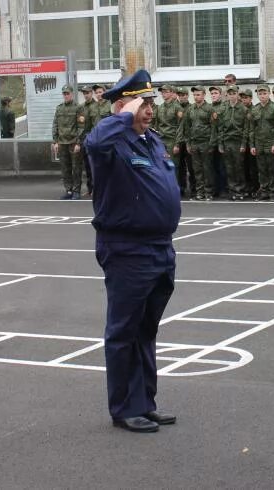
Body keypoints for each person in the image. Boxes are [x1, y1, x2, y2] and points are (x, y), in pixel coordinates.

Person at [83, 69, 180, 434]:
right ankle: (125, 408)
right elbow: (93, 144)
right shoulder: (109, 142)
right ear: (123, 106)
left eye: (152, 103)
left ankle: (145, 402)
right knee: (124, 330)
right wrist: (122, 116)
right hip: (127, 249)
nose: (150, 110)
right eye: (143, 103)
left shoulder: (151, 141)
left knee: (146, 331)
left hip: (159, 247)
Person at [248, 84, 274, 200]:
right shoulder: (255, 109)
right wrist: (252, 145)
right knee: (261, 169)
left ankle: (273, 192)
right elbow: (251, 129)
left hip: (270, 143)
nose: (262, 96)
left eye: (264, 93)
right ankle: (264, 191)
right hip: (259, 143)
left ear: (269, 93)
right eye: (260, 94)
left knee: (272, 169)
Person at [52, 85, 83, 200]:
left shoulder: (78, 108)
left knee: (76, 168)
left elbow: (81, 126)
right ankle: (68, 190)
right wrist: (55, 141)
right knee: (65, 168)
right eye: (64, 94)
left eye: (67, 93)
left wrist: (78, 143)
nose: (66, 95)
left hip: (73, 142)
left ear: (72, 94)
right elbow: (55, 125)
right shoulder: (59, 108)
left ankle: (76, 191)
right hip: (62, 143)